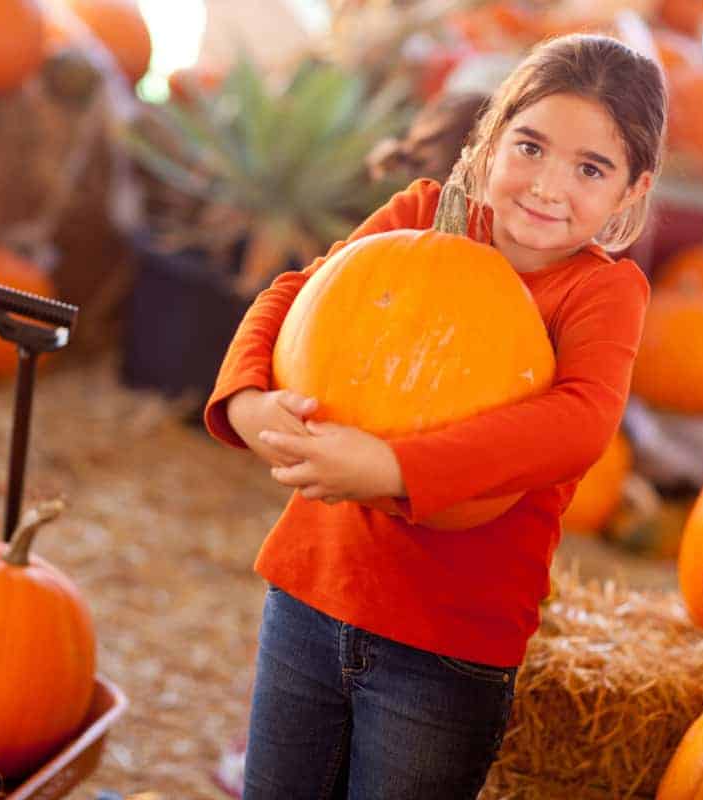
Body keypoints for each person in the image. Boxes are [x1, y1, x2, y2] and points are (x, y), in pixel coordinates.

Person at [202, 33, 667, 800]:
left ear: (629, 193)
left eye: (590, 169)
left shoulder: (601, 295)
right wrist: (248, 399)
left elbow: (580, 420)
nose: (548, 186)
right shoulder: (420, 215)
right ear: (489, 143)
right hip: (312, 592)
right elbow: (294, 296)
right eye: (530, 147)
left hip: (448, 646)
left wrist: (394, 469)